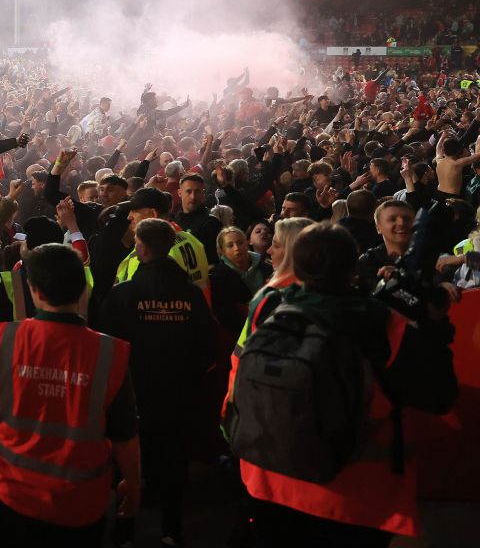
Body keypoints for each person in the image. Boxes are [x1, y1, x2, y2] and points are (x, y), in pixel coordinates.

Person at [229, 224, 458, 546]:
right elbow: (440, 396)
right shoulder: (384, 325)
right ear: (354, 268)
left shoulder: (268, 307)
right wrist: (434, 326)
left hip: (266, 480)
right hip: (350, 499)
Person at [0, 244, 141, 547]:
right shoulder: (109, 353)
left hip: (13, 495)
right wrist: (133, 482)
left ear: (34, 290)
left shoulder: (4, 340)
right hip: (80, 504)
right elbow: (125, 435)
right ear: (82, 288)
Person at [103, 218, 216, 546]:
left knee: (130, 465)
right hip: (178, 395)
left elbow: (107, 345)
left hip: (133, 396)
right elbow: (208, 345)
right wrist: (188, 377)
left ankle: (125, 532)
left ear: (141, 248)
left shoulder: (124, 294)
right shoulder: (191, 294)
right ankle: (172, 529)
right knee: (174, 464)